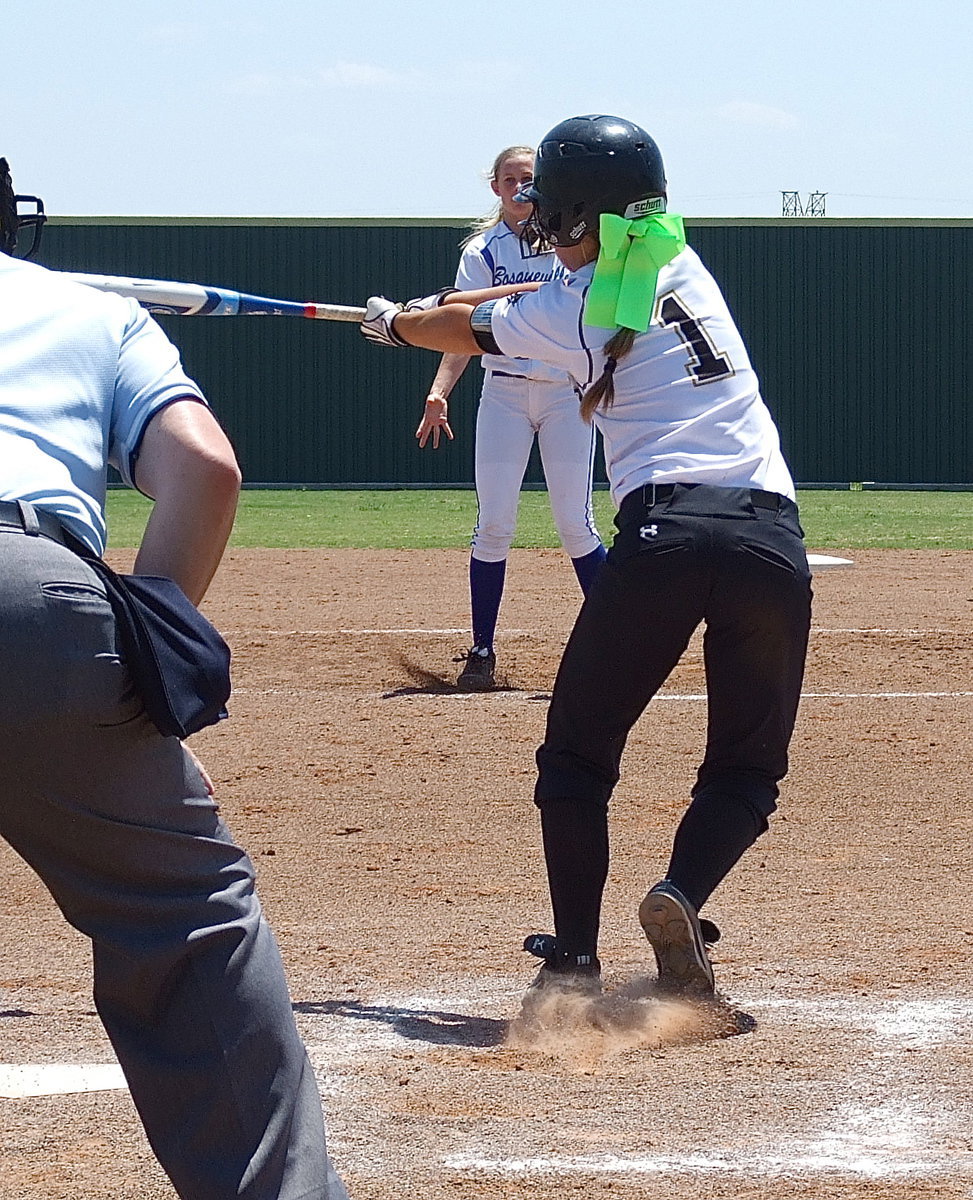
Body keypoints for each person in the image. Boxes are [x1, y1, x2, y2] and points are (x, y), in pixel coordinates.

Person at [361, 114, 813, 1000]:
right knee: (746, 767)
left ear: (572, 220)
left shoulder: (569, 309)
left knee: (576, 755)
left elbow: (472, 335)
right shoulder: (678, 265)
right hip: (771, 540)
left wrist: (396, 329)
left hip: (665, 536)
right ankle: (681, 894)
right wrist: (426, 313)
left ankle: (572, 957)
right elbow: (515, 307)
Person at [0, 159, 349, 1200]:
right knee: (187, 916)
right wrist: (151, 626)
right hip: (33, 602)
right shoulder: (89, 310)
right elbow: (204, 468)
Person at [415, 145, 606, 691]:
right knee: (494, 523)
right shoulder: (483, 249)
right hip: (503, 392)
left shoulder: (569, 243)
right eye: (511, 179)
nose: (521, 187)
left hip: (565, 394)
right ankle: (481, 650)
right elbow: (464, 329)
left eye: (530, 179)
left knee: (576, 523)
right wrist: (439, 390)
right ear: (495, 188)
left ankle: (619, 641)